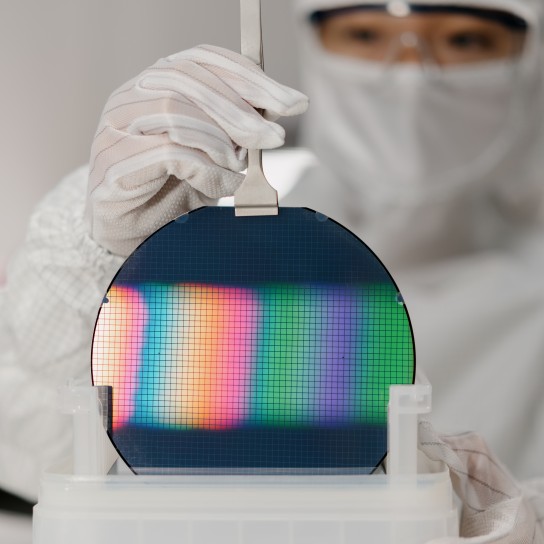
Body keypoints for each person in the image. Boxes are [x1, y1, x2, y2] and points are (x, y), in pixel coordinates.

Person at [0, 0, 543, 540]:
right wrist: (100, 248)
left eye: (466, 40)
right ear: (313, 45)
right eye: (364, 34)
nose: (410, 77)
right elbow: (28, 450)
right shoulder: (195, 259)